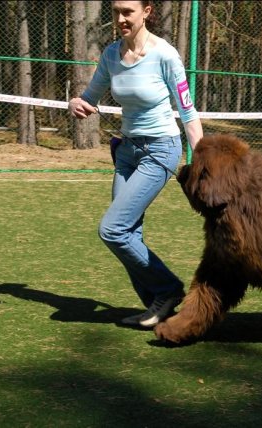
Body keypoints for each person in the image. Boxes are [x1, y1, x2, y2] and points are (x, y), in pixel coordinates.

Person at [68, 0, 203, 328]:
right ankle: (157, 306)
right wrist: (78, 103)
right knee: (128, 232)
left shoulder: (166, 55)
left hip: (160, 150)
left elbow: (187, 111)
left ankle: (167, 289)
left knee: (112, 229)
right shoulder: (112, 54)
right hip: (127, 153)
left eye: (128, 11)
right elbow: (90, 96)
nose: (120, 18)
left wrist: (202, 160)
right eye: (116, 11)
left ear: (147, 11)